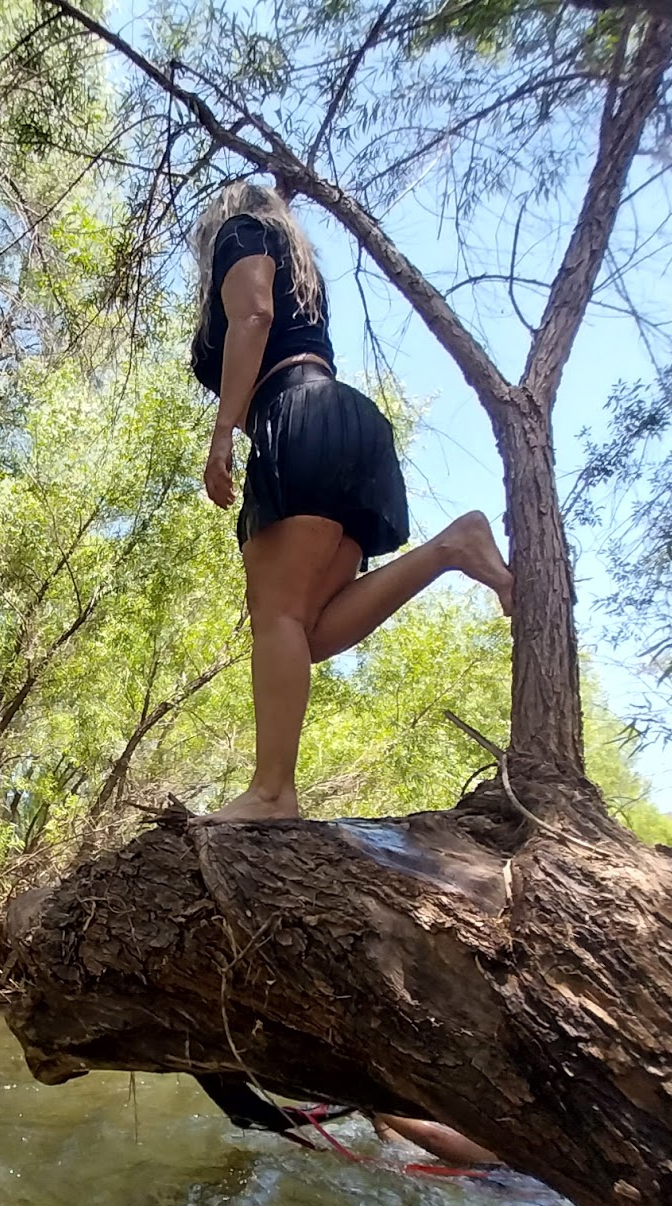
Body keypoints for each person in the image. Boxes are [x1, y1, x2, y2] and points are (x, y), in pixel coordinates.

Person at [189, 182, 514, 822]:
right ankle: (452, 547)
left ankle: (272, 793)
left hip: (295, 418)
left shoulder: (242, 232)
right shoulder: (300, 268)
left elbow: (253, 316)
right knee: (304, 633)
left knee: (277, 617)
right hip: (345, 425)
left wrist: (222, 432)